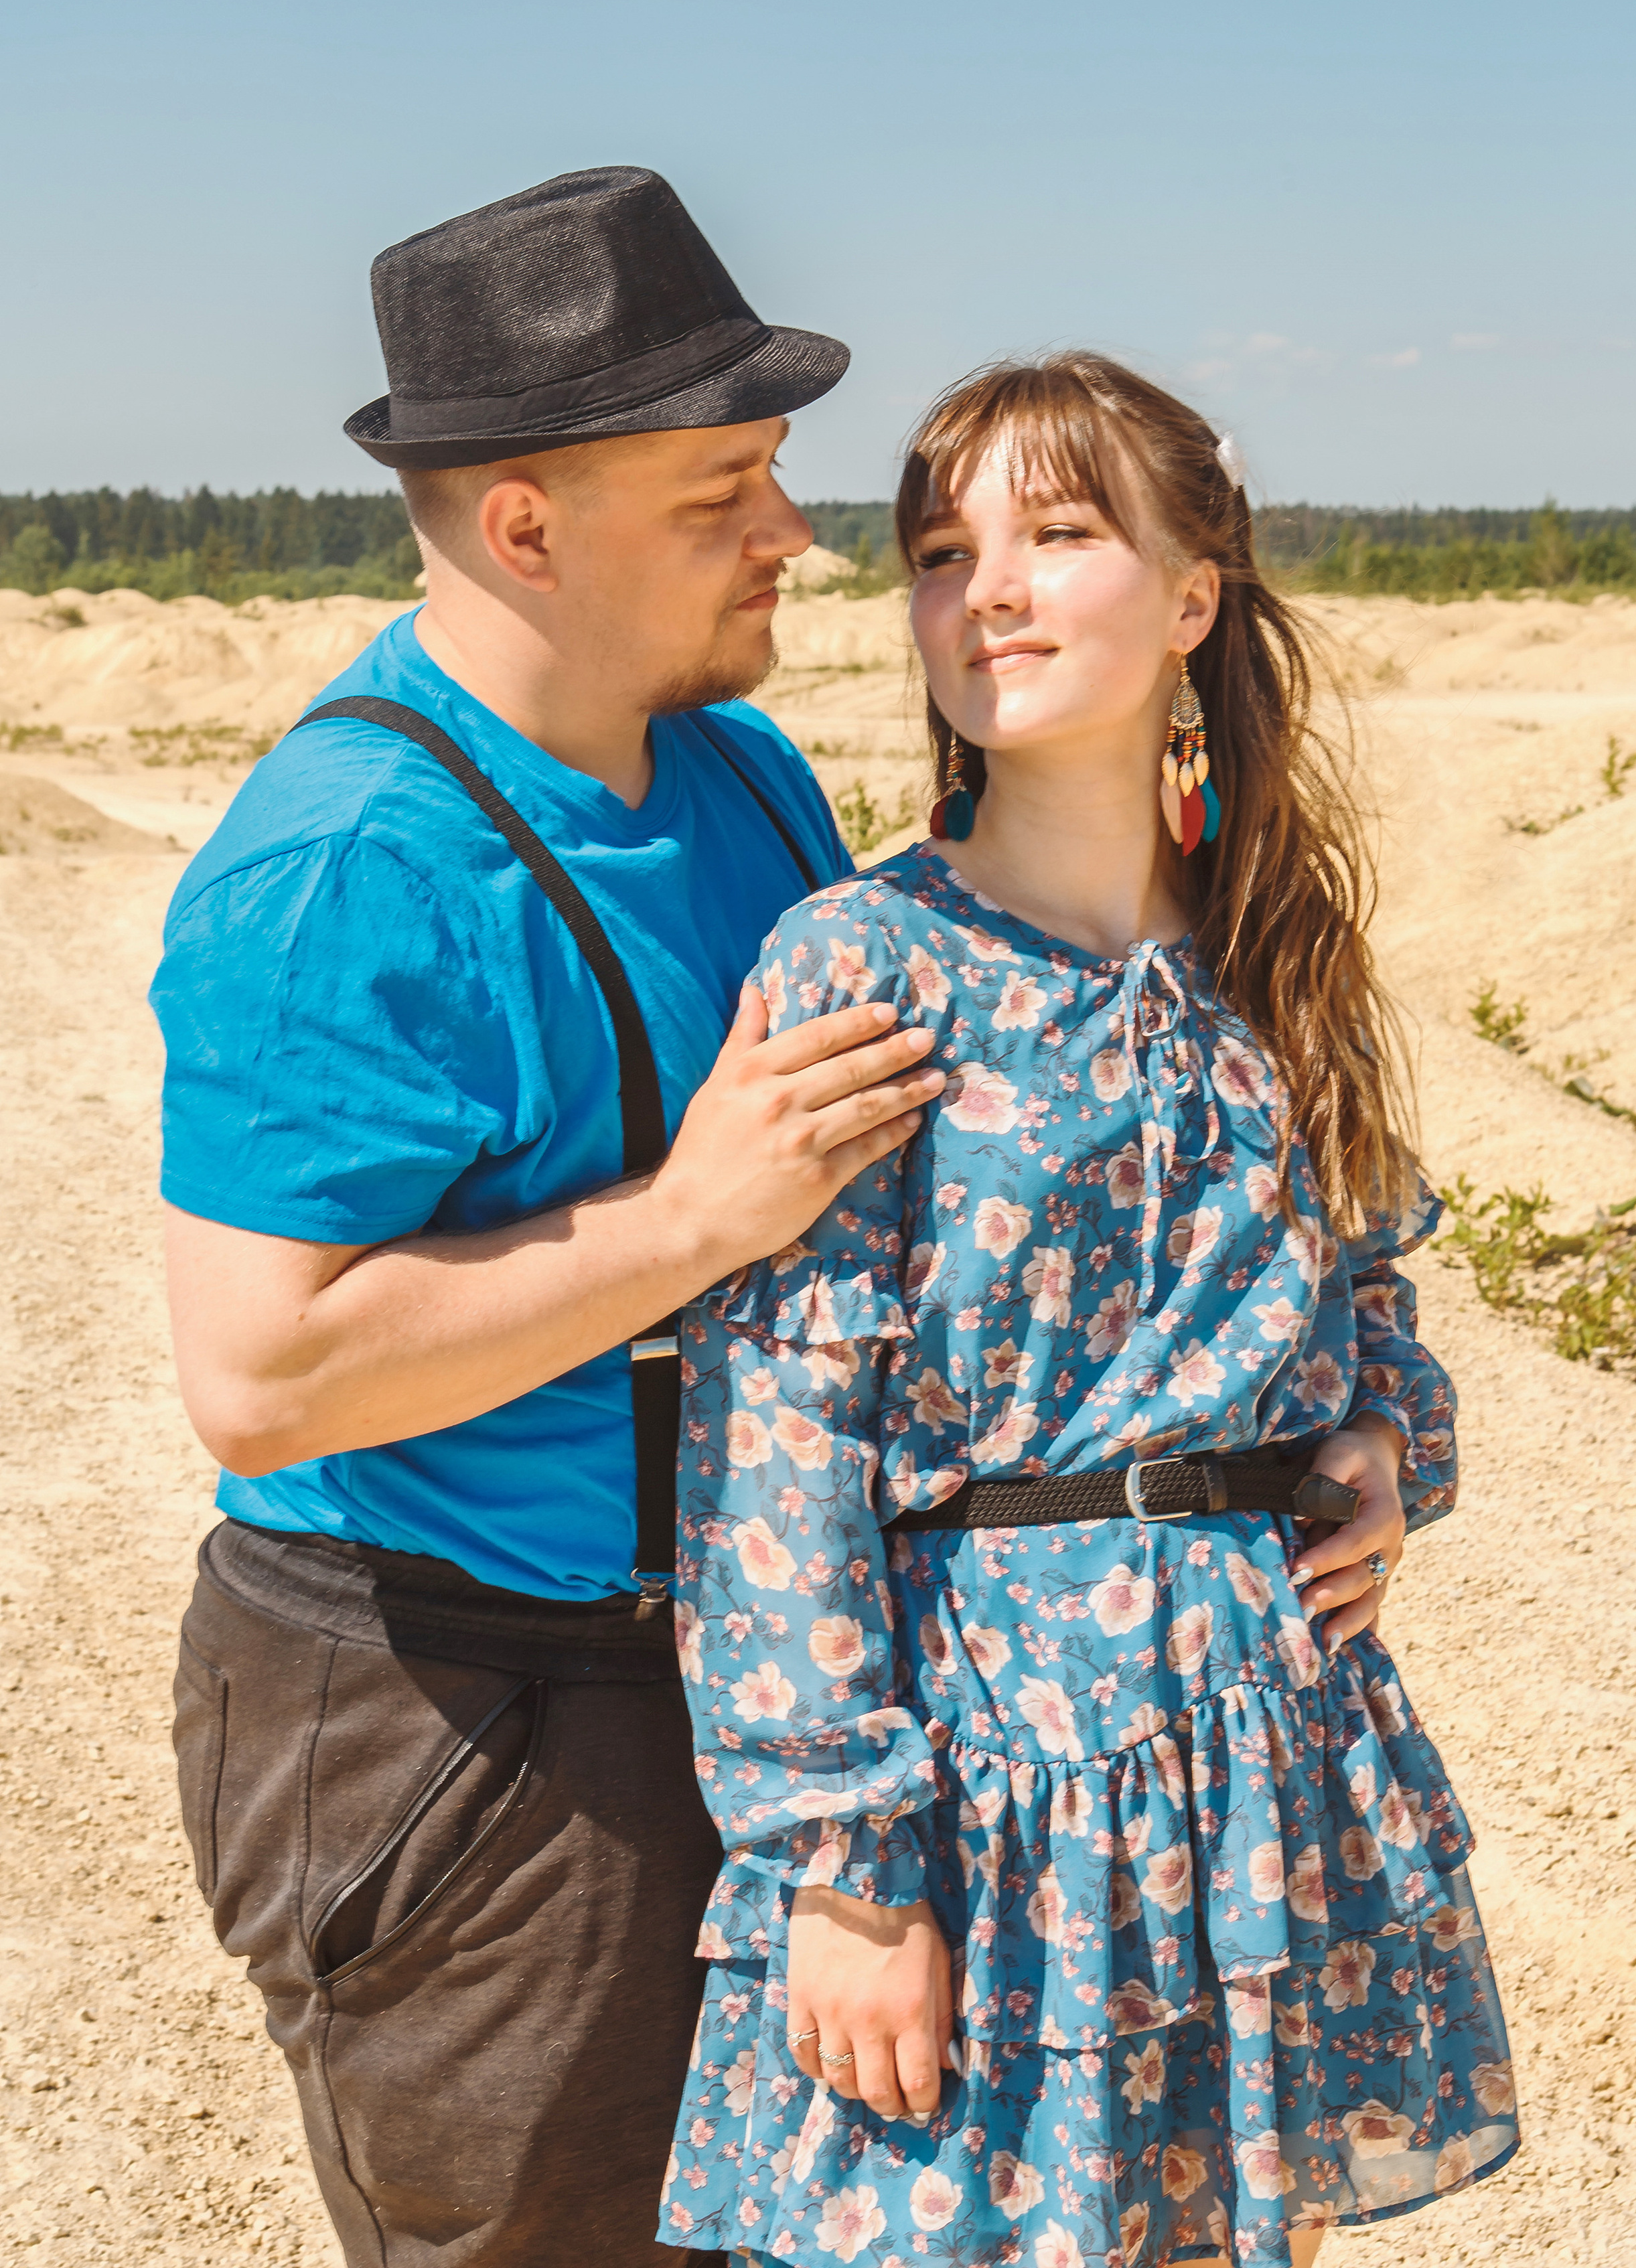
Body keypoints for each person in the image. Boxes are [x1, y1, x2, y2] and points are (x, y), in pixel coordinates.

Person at [153, 167, 948, 2268]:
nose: (796, 532)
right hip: (469, 1732)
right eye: (726, 490)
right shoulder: (342, 872)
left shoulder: (744, 772)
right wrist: (695, 1217)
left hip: (751, 1685)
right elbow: (256, 1374)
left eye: (776, 473)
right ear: (528, 525)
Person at [660, 355, 1518, 2267]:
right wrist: (846, 1872)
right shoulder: (865, 964)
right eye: (946, 552)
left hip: (1251, 1746)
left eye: (1061, 534)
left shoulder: (1276, 950)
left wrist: (1376, 1440)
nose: (994, 592)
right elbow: (778, 1439)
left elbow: (1367, 1287)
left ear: (1195, 597)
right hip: (993, 1781)